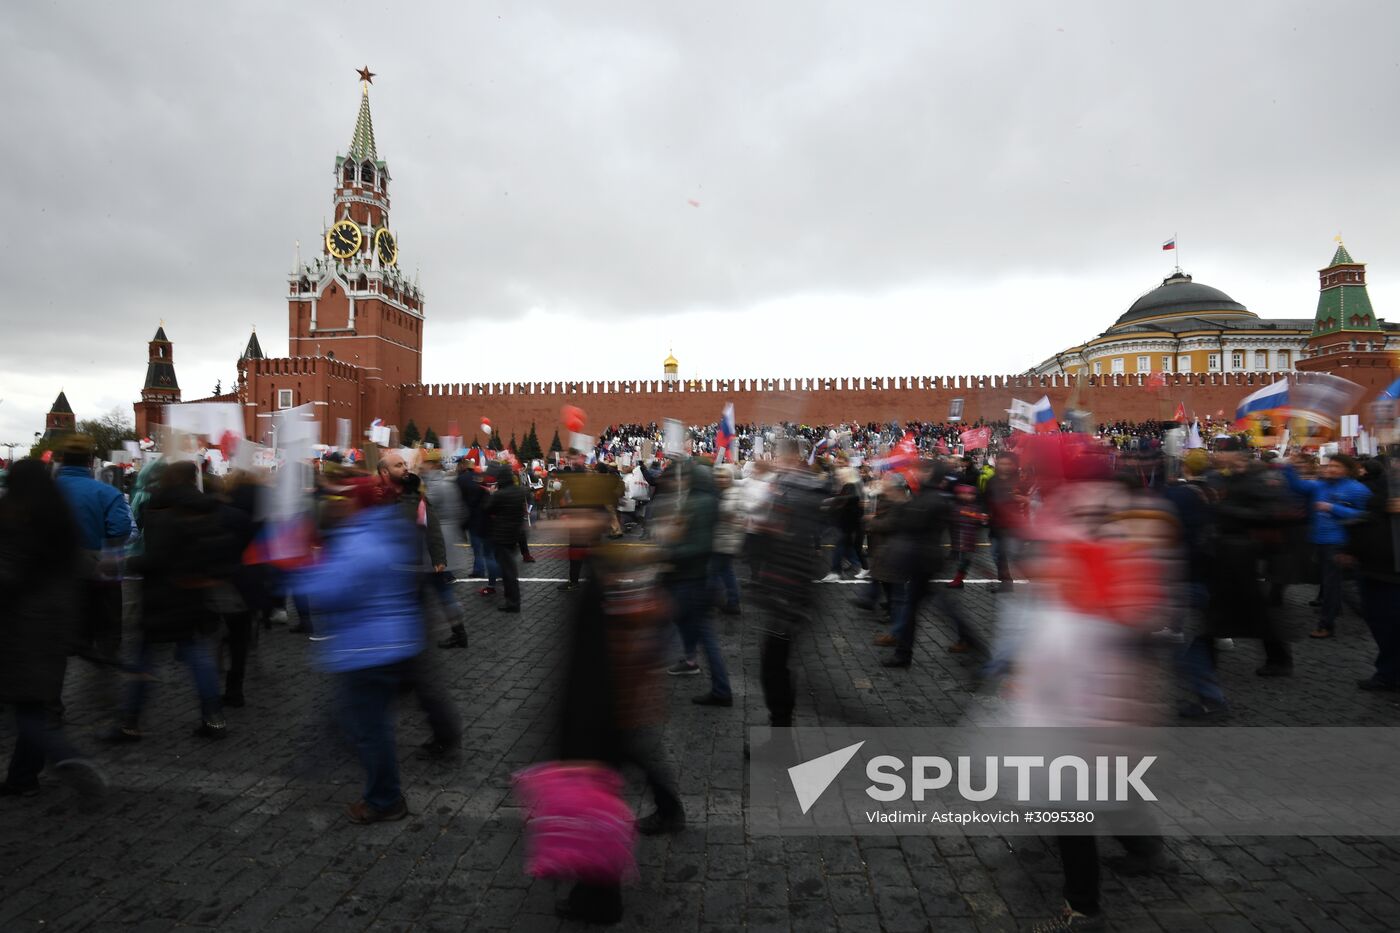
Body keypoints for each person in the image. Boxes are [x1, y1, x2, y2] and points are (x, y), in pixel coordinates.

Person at [553, 510, 681, 924]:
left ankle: (599, 898)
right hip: (614, 709)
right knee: (636, 754)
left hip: (604, 712)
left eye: (574, 514)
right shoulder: (608, 565)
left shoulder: (610, 571)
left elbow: (601, 657)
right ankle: (668, 807)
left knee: (597, 802)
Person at [296, 478, 425, 822]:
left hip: (369, 648)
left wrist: (300, 569)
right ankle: (355, 774)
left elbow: (331, 591)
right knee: (363, 721)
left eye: (346, 498)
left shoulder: (360, 540)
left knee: (370, 729)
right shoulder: (384, 529)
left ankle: (384, 800)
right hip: (385, 644)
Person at [0, 460, 108, 798]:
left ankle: (68, 759)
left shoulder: (15, 520)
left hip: (19, 627)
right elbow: (85, 569)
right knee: (32, 705)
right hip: (55, 625)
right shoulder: (59, 518)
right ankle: (23, 778)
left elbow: (7, 577)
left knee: (26, 710)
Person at [115, 461, 230, 741]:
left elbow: (157, 558)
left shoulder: (162, 509)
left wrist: (127, 563)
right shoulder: (207, 507)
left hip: (162, 595)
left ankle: (129, 722)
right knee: (197, 657)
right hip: (193, 592)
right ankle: (213, 717)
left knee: (143, 661)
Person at [53, 435, 133, 663]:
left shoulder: (47, 491)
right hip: (100, 563)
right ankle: (107, 650)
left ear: (62, 460)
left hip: (57, 566)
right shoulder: (107, 493)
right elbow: (120, 530)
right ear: (89, 462)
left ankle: (77, 642)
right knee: (106, 608)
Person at [659, 458, 730, 706]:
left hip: (693, 577)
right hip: (700, 576)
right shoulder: (709, 500)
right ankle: (691, 661)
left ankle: (720, 688)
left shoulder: (697, 503)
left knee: (700, 632)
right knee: (687, 622)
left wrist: (670, 551)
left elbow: (696, 545)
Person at [1283, 454, 1371, 638]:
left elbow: (1366, 515)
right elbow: (1297, 486)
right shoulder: (1320, 485)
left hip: (1341, 542)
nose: (1331, 469)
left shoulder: (1357, 489)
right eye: (1329, 466)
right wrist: (1288, 466)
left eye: (1336, 466)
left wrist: (1333, 508)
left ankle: (1327, 624)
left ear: (1347, 469)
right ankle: (1345, 611)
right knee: (1335, 583)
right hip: (1321, 541)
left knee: (1336, 584)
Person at [1347, 459, 1399, 690]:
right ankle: (1388, 672)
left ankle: (1389, 673)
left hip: (1392, 572)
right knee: (1381, 623)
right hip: (1373, 566)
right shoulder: (1380, 485)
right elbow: (1366, 515)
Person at [485, 463, 527, 613]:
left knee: (508, 571)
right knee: (510, 569)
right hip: (515, 534)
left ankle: (513, 602)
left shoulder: (500, 494)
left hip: (501, 536)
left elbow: (488, 509)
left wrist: (491, 493)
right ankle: (512, 600)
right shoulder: (519, 491)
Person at [710, 463, 744, 616]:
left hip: (724, 541)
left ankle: (718, 601)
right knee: (726, 572)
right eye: (718, 477)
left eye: (724, 477)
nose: (721, 479)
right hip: (723, 540)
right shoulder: (723, 492)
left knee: (715, 572)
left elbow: (726, 513)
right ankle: (731, 601)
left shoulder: (732, 493)